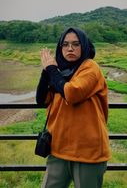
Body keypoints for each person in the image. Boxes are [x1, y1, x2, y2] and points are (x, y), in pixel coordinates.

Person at [36, 27, 111, 188]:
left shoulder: (90, 68)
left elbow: (72, 93)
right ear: (60, 47)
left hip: (88, 152)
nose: (70, 48)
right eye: (65, 44)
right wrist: (46, 72)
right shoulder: (60, 71)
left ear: (84, 46)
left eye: (76, 44)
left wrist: (51, 70)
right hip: (58, 148)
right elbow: (41, 100)